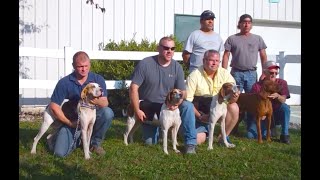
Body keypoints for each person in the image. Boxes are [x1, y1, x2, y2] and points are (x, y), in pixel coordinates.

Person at [129, 36, 198, 154]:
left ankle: (190, 143)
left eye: (172, 48)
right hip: (149, 108)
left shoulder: (177, 67)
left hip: (169, 104)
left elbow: (184, 92)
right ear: (158, 48)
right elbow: (133, 88)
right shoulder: (146, 63)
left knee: (188, 106)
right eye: (166, 48)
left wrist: (178, 104)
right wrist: (137, 110)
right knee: (150, 142)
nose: (169, 51)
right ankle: (160, 130)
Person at [47, 51, 114, 157]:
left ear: (90, 64)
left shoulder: (97, 80)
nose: (84, 69)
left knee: (107, 112)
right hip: (72, 118)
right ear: (73, 66)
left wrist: (92, 100)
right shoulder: (64, 82)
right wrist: (69, 123)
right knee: (59, 153)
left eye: (86, 66)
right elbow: (54, 106)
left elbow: (105, 102)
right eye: (80, 66)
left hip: (91, 112)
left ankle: (94, 144)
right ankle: (74, 138)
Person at [185, 49, 240, 145]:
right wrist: (200, 116)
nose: (214, 63)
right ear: (204, 61)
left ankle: (223, 137)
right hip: (200, 113)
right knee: (197, 140)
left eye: (217, 61)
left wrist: (235, 96)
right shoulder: (194, 75)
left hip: (219, 108)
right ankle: (203, 132)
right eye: (211, 60)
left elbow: (233, 94)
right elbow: (187, 102)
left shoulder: (225, 73)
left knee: (234, 107)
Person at [246, 61, 291, 144]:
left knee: (285, 108)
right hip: (262, 115)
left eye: (276, 73)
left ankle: (285, 135)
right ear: (264, 72)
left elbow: (283, 99)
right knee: (250, 136)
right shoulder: (257, 86)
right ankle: (269, 130)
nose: (273, 75)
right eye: (271, 72)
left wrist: (278, 96)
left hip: (276, 113)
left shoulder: (282, 83)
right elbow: (252, 103)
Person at [222, 13, 267, 93]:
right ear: (240, 24)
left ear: (251, 25)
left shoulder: (258, 39)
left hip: (251, 74)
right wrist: (224, 72)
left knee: (252, 97)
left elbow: (263, 56)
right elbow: (226, 56)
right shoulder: (232, 39)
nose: (246, 25)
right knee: (234, 96)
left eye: (249, 22)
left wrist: (264, 72)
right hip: (236, 73)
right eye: (244, 22)